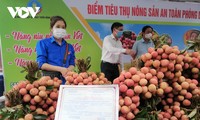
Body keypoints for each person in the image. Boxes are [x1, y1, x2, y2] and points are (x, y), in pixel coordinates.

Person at [36, 16, 75, 84]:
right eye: (58, 26)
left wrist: (67, 71)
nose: (61, 29)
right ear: (51, 29)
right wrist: (61, 69)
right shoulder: (43, 43)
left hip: (66, 82)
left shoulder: (69, 46)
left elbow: (72, 64)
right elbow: (41, 64)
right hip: (49, 82)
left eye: (63, 27)